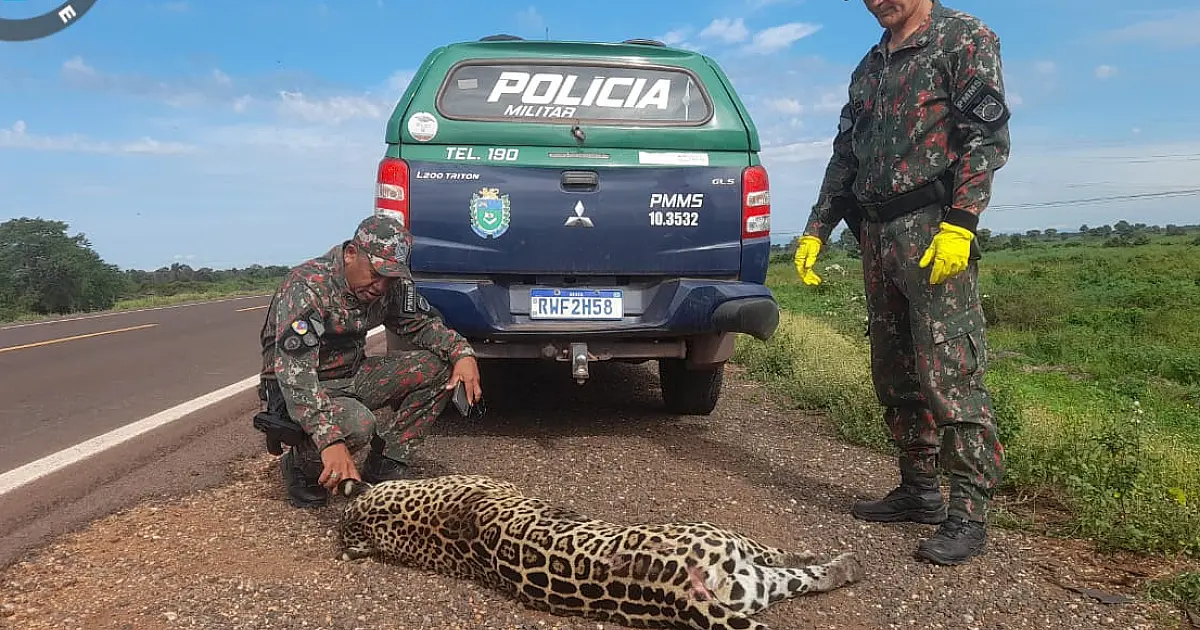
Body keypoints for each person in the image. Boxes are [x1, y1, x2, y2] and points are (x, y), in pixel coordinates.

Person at [793, 0, 1010, 565]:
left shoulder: (963, 38)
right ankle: (919, 489)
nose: (877, 0)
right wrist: (817, 228)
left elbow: (986, 138)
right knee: (894, 369)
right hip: (876, 233)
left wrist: (962, 222)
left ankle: (969, 513)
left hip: (933, 229)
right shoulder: (869, 67)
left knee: (950, 370)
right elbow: (845, 157)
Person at [258, 213, 481, 508]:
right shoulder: (308, 286)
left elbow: (422, 324)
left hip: (351, 375)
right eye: (376, 274)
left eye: (390, 278)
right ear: (351, 254)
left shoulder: (389, 286)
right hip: (300, 386)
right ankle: (300, 465)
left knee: (439, 368)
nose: (381, 286)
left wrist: (462, 353)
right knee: (359, 423)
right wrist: (330, 441)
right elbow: (296, 374)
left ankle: (386, 463)